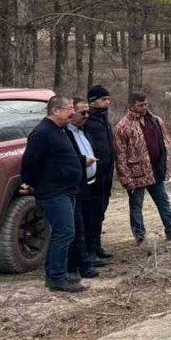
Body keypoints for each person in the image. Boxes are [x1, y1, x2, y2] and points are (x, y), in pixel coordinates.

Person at [20, 96, 88, 293]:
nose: (73, 112)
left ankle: (57, 273)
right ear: (56, 110)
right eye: (69, 109)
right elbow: (30, 163)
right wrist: (31, 184)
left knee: (64, 233)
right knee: (64, 232)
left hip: (66, 190)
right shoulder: (41, 133)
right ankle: (56, 277)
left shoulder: (59, 130)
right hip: (53, 192)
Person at [114, 91, 171, 244]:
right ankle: (140, 236)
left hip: (156, 169)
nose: (144, 107)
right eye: (140, 105)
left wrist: (166, 165)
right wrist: (126, 178)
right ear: (131, 105)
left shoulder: (155, 120)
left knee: (163, 201)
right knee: (136, 205)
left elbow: (164, 143)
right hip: (136, 173)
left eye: (145, 104)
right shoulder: (122, 127)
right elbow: (120, 155)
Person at [81, 85, 117, 263]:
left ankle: (97, 245)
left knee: (101, 212)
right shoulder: (88, 121)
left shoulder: (104, 120)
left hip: (106, 174)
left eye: (108, 99)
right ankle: (90, 251)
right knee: (92, 213)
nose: (107, 102)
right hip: (93, 175)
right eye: (104, 99)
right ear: (92, 101)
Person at [65, 98, 101, 280]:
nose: (87, 116)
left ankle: (89, 256)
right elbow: (68, 158)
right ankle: (80, 265)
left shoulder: (83, 130)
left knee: (89, 221)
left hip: (90, 182)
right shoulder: (66, 133)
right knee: (77, 226)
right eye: (82, 113)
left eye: (88, 112)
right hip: (76, 186)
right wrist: (82, 161)